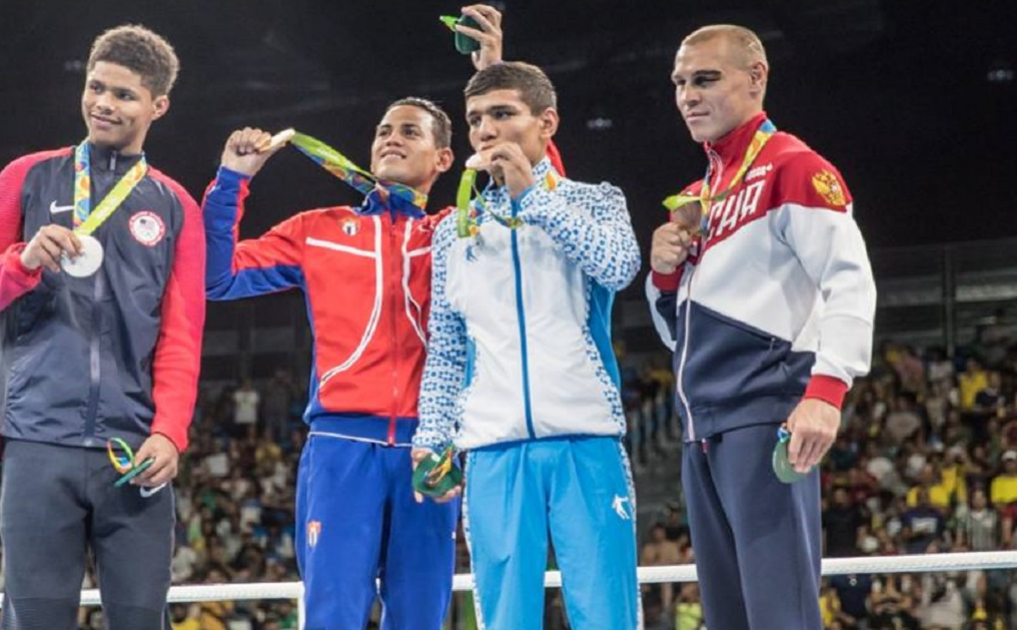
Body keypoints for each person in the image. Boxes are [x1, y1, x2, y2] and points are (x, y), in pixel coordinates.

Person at [203, 9, 547, 628]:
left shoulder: (458, 232)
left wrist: (495, 74)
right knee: (333, 612)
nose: (391, 137)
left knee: (419, 614)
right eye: (385, 129)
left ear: (445, 159)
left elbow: (543, 193)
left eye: (410, 132)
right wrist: (232, 181)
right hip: (340, 447)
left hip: (430, 447)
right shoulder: (319, 231)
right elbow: (215, 278)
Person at [0, 24, 204, 628]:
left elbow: (182, 333)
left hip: (133, 449)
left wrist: (169, 432)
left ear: (157, 106)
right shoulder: (28, 177)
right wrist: (22, 261)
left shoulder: (175, 205)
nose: (104, 104)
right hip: (38, 440)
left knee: (142, 619)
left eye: (124, 94)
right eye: (95, 88)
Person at [646, 24, 876, 629]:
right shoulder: (698, 195)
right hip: (701, 425)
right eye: (679, 83)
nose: (687, 95)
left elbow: (850, 281)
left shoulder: (793, 167)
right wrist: (665, 274)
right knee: (729, 618)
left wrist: (827, 393)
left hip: (765, 415)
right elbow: (680, 333)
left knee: (780, 613)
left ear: (756, 77)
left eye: (705, 78)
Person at [415, 61, 641, 629]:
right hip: (492, 447)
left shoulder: (596, 201)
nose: (487, 130)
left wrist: (533, 197)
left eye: (502, 114)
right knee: (506, 619)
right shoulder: (453, 231)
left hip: (586, 439)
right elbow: (447, 347)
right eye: (476, 120)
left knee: (607, 614)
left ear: (547, 123)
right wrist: (433, 436)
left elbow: (619, 267)